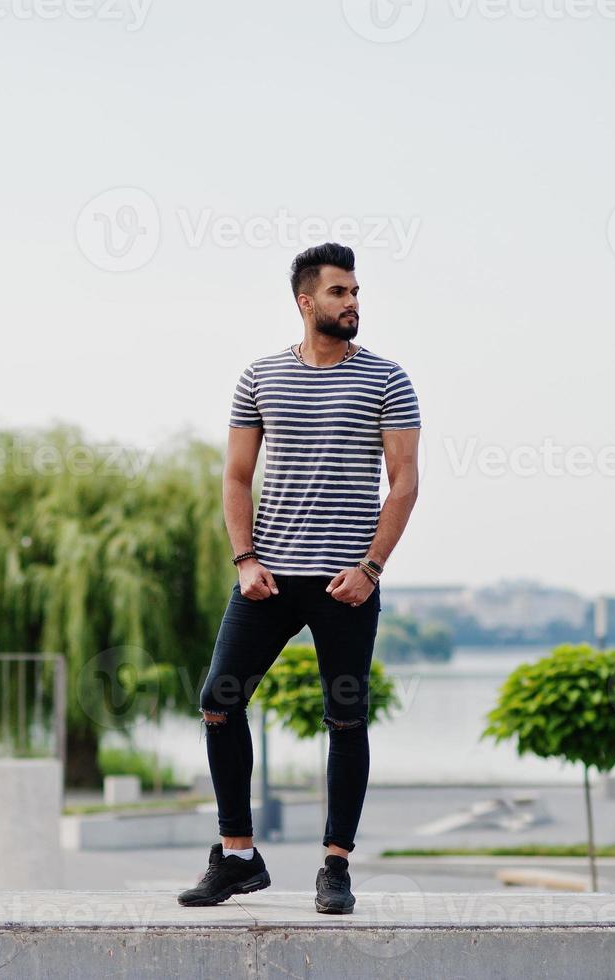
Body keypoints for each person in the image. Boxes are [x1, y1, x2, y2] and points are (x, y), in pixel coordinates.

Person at [176, 242, 421, 914]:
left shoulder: (387, 379)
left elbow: (403, 484)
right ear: (305, 300)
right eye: (339, 292)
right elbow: (234, 475)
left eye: (356, 292)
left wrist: (371, 568)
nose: (352, 303)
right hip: (268, 578)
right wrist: (244, 558)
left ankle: (335, 866)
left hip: (348, 583)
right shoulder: (259, 377)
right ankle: (236, 856)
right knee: (218, 702)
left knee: (345, 719)